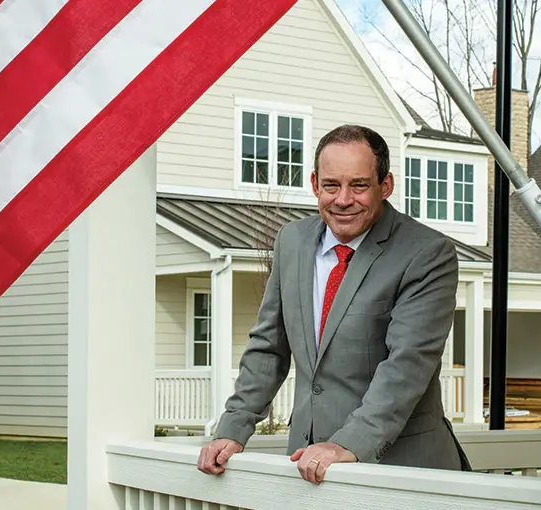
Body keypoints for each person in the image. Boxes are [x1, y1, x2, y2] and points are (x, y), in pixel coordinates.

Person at [197, 124, 471, 484]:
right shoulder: (291, 242)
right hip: (307, 470)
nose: (343, 199)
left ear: (385, 186)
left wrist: (348, 443)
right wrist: (232, 428)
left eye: (359, 185)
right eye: (331, 185)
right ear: (314, 184)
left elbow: (406, 366)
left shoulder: (426, 253)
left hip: (403, 470)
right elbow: (268, 348)